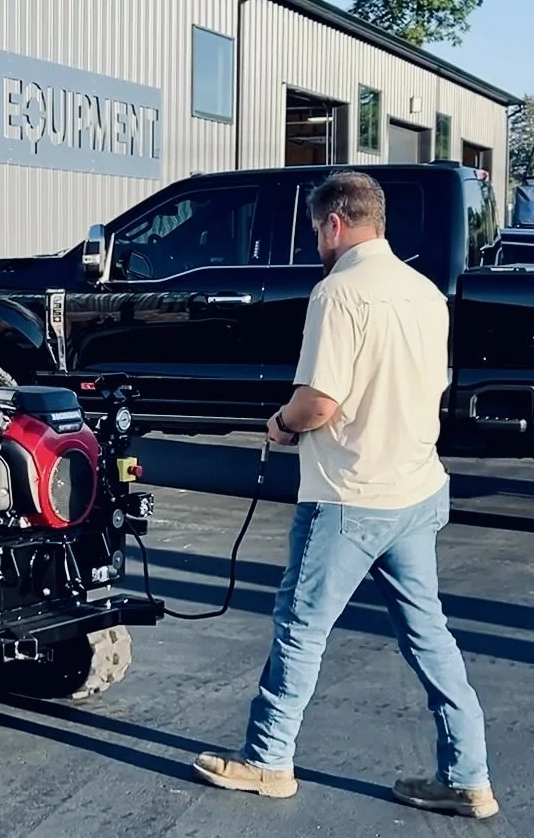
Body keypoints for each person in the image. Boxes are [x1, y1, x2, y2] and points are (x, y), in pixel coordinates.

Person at [190, 170, 499, 820]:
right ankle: (468, 776)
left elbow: (320, 403)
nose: (317, 243)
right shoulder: (423, 293)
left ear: (334, 223)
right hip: (415, 490)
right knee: (430, 636)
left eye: (315, 230)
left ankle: (268, 762)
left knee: (300, 630)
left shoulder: (339, 293)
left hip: (348, 498)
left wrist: (279, 424)